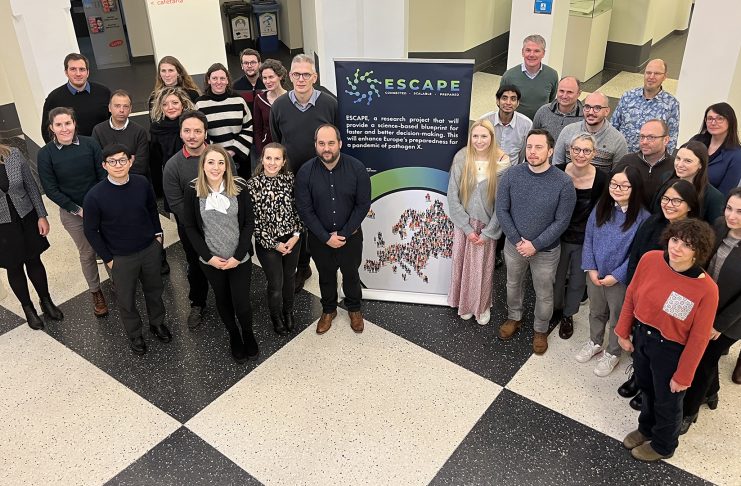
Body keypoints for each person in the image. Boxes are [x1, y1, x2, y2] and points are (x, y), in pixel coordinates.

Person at [617, 219, 718, 462]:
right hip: (642, 336)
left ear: (698, 252)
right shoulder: (650, 260)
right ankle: (646, 428)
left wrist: (684, 375)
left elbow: (699, 338)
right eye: (675, 240)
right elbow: (631, 294)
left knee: (668, 401)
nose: (677, 248)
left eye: (687, 245)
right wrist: (622, 330)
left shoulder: (707, 289)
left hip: (671, 350)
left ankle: (664, 445)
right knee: (646, 388)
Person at [83, 144, 171, 356]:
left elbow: (152, 209)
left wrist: (158, 235)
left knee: (154, 291)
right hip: (120, 257)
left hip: (149, 249)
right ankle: (135, 334)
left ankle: (157, 323)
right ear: (104, 165)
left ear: (130, 161)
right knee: (126, 299)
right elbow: (91, 231)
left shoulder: (141, 183)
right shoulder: (94, 196)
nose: (118, 165)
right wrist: (108, 258)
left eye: (122, 160)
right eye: (112, 161)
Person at [619, 180, 700, 410]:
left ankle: (649, 390)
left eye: (676, 200)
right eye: (665, 199)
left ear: (690, 205)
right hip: (644, 296)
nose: (669, 204)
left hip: (671, 304)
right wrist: (633, 290)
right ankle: (638, 377)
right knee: (640, 342)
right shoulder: (652, 222)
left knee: (660, 350)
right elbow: (636, 256)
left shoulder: (695, 234)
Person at [495, 129, 576, 354]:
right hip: (514, 246)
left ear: (550, 151)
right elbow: (501, 210)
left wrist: (535, 245)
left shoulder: (563, 183)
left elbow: (562, 221)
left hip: (546, 251)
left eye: (539, 147)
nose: (532, 151)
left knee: (544, 293)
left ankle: (540, 329)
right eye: (529, 146)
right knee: (513, 284)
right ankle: (514, 317)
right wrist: (516, 240)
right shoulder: (512, 175)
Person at [182, 145, 258, 363]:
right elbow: (190, 228)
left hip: (239, 258)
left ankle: (248, 333)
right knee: (222, 299)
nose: (215, 167)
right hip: (211, 260)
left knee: (241, 303)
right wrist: (209, 258)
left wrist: (238, 256)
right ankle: (234, 335)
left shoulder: (239, 187)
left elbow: (248, 223)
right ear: (203, 165)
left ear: (227, 166)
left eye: (221, 163)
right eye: (211, 162)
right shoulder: (193, 190)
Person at [270, 54, 339, 292]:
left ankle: (327, 268)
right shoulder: (279, 106)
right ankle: (302, 266)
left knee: (321, 222)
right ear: (289, 76)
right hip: (291, 178)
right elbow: (277, 140)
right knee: (296, 225)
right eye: (296, 74)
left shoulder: (330, 104)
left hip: (322, 176)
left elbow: (337, 139)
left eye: (306, 74)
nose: (301, 79)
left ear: (314, 77)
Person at [295, 124, 371, 335]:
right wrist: (325, 237)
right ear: (315, 145)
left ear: (340, 143)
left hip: (351, 237)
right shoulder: (305, 172)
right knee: (326, 275)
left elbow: (363, 205)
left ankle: (354, 309)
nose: (326, 148)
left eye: (330, 143)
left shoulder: (357, 169)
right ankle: (329, 310)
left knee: (351, 274)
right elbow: (304, 209)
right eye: (321, 143)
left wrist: (344, 233)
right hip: (320, 239)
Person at [164, 111, 236, 329]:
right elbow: (176, 203)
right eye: (187, 131)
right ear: (180, 133)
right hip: (192, 229)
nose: (192, 135)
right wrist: (202, 225)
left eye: (197, 131)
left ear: (205, 133)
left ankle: (231, 299)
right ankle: (198, 303)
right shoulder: (173, 166)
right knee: (196, 266)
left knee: (228, 263)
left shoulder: (222, 159)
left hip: (225, 225)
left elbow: (233, 188)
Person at [680, 187, 741, 434]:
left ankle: (689, 411)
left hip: (731, 320)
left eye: (740, 212)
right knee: (706, 355)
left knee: (703, 360)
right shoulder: (718, 225)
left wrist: (718, 325)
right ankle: (712, 391)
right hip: (707, 305)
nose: (732, 216)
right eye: (729, 208)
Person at [37, 107, 108, 317]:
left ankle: (118, 282)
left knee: (108, 245)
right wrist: (78, 210)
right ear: (51, 128)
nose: (64, 128)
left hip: (100, 206)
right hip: (72, 213)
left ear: (74, 123)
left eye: (67, 123)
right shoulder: (45, 154)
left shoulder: (90, 144)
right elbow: (51, 189)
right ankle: (96, 291)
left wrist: (96, 205)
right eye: (58, 125)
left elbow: (102, 175)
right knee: (87, 253)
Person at [577, 166, 649, 376]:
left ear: (635, 188)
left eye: (625, 186)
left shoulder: (643, 217)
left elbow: (637, 254)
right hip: (595, 273)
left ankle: (613, 352)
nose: (618, 189)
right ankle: (595, 341)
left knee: (618, 317)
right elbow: (589, 237)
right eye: (614, 184)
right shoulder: (602, 206)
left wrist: (616, 276)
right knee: (596, 310)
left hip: (619, 280)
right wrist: (590, 267)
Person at [447, 120, 510, 325]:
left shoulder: (502, 162)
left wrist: (489, 232)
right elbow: (452, 195)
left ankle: (481, 307)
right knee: (462, 265)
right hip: (463, 225)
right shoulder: (461, 157)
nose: (479, 140)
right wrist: (466, 228)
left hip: (486, 226)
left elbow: (502, 203)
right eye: (475, 136)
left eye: (484, 136)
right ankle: (464, 304)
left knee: (481, 270)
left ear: (492, 137)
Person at [551, 133, 608, 339]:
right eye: (576, 149)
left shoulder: (602, 179)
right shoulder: (557, 171)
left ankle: (568, 314)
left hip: (584, 239)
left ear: (594, 153)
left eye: (586, 150)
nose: (580, 154)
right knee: (555, 277)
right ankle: (554, 308)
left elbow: (603, 212)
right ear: (570, 150)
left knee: (577, 281)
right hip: (557, 235)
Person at [0, 144, 62, 329]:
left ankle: (46, 301)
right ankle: (28, 309)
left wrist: (41, 215)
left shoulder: (13, 154)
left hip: (26, 216)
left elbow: (31, 186)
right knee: (14, 267)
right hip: (2, 226)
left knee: (34, 260)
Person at [247, 143, 303, 335]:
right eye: (268, 158)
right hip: (268, 242)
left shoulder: (290, 180)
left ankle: (288, 311)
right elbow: (253, 221)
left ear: (283, 161)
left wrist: (296, 236)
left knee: (289, 278)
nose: (272, 162)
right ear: (262, 159)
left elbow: (298, 209)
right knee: (276, 283)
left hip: (292, 238)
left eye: (277, 158)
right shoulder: (252, 185)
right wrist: (275, 244)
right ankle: (276, 316)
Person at [195, 63, 254, 178]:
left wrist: (233, 151)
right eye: (214, 78)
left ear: (227, 80)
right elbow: (200, 132)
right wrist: (217, 153)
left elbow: (248, 127)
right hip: (213, 159)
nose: (219, 82)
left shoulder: (239, 100)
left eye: (222, 78)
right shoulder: (200, 104)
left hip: (239, 157)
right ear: (208, 80)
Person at [611, 59, 680, 153]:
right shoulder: (628, 97)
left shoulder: (671, 104)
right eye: (648, 73)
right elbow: (613, 126)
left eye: (657, 73)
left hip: (650, 159)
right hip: (622, 155)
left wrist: (665, 161)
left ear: (664, 77)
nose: (651, 77)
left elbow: (672, 138)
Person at [41, 53, 110, 143]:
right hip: (73, 149)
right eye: (73, 69)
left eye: (82, 69)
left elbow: (114, 121)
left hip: (103, 147)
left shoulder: (104, 92)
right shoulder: (54, 98)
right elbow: (46, 131)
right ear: (66, 72)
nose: (78, 74)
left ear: (88, 72)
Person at [652, 141, 724, 223]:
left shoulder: (713, 197)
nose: (679, 165)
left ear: (701, 164)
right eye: (678, 158)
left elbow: (715, 227)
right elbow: (655, 211)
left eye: (688, 161)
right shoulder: (665, 178)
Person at [554, 92, 628, 171]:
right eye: (587, 107)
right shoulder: (568, 131)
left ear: (607, 111)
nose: (591, 112)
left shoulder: (618, 140)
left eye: (597, 108)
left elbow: (618, 174)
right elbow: (556, 166)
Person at [613, 119, 675, 207]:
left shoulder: (675, 166)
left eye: (651, 137)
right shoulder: (627, 161)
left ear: (666, 140)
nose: (644, 142)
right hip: (629, 213)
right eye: (642, 137)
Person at [499, 34, 559, 120]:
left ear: (543, 53)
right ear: (522, 52)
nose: (531, 54)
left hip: (541, 123)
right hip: (516, 124)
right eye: (528, 50)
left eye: (536, 51)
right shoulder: (509, 76)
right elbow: (502, 103)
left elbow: (551, 100)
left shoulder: (552, 75)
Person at [92, 90, 149, 178]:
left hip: (133, 180)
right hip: (108, 182)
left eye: (125, 106)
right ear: (109, 108)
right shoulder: (98, 130)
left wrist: (111, 163)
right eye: (117, 106)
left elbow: (141, 166)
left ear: (130, 109)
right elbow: (98, 163)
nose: (121, 110)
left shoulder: (140, 132)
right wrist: (128, 160)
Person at [150, 87, 195, 197]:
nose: (170, 107)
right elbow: (156, 162)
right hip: (171, 179)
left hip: (195, 176)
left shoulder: (194, 123)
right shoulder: (156, 128)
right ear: (161, 108)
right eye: (165, 104)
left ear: (182, 104)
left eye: (175, 103)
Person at [689, 102, 741, 196]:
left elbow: (724, 193)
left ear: (730, 121)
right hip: (682, 196)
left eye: (720, 118)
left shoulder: (736, 154)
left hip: (709, 202)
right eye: (710, 118)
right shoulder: (697, 140)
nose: (713, 123)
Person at [481, 85, 532, 164]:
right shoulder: (485, 121)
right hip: (488, 167)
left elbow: (523, 154)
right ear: (497, 101)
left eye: (513, 99)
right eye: (504, 98)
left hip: (512, 168)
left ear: (518, 103)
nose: (508, 103)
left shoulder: (526, 124)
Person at [531, 76, 585, 142]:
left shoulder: (585, 117)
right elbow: (532, 137)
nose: (564, 96)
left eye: (569, 92)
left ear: (579, 94)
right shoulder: (543, 111)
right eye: (561, 91)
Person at [253, 59, 287, 157]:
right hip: (268, 150)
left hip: (288, 149)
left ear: (280, 76)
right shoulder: (259, 99)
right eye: (264, 78)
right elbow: (257, 130)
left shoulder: (290, 98)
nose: (267, 81)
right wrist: (261, 152)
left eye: (271, 77)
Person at [233, 48, 266, 115]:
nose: (249, 66)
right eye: (246, 63)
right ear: (242, 66)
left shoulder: (267, 83)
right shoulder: (235, 87)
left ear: (259, 64)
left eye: (253, 62)